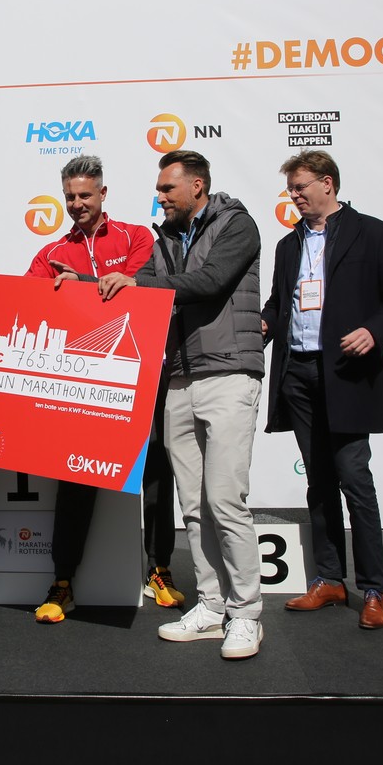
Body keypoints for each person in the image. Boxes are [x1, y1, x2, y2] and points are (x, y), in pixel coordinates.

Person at [96, 150, 266, 660]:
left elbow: (210, 282)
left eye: (168, 188)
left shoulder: (237, 225)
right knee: (193, 507)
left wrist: (138, 282)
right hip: (178, 379)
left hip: (229, 373)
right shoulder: (166, 239)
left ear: (197, 186)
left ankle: (246, 614)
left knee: (225, 502)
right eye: (159, 189)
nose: (161, 197)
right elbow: (131, 290)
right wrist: (79, 285)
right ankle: (212, 606)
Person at [23, 154, 184, 623]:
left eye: (85, 195)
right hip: (82, 386)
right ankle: (62, 582)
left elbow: (140, 290)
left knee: (156, 472)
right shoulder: (50, 253)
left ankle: (159, 569)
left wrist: (80, 285)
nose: (77, 204)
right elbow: (28, 303)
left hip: (142, 375)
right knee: (73, 476)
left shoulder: (136, 237)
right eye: (69, 197)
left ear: (103, 194)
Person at [261, 149, 383, 630]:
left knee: (355, 480)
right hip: (299, 374)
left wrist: (374, 330)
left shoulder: (373, 232)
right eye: (291, 188)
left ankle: (374, 590)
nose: (295, 195)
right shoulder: (288, 245)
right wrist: (263, 324)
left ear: (328, 183)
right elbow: (279, 303)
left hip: (347, 373)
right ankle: (329, 579)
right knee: (319, 482)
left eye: (301, 186)